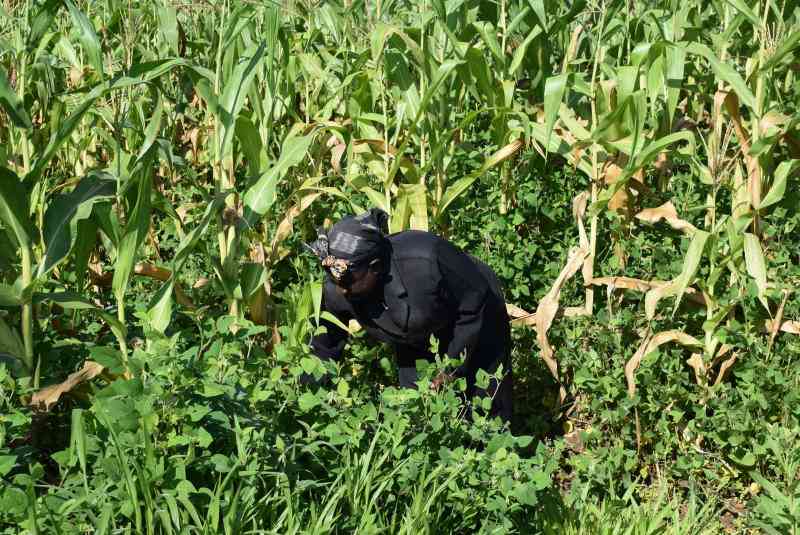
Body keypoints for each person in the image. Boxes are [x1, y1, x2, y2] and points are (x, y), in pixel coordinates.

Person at [305, 208, 512, 423]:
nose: (341, 290)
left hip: (475, 312)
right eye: (335, 280)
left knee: (486, 402)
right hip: (415, 333)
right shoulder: (340, 287)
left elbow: (473, 303)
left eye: (347, 282)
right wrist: (304, 397)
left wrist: (452, 367)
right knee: (418, 411)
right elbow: (323, 347)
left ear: (375, 268)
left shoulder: (427, 260)